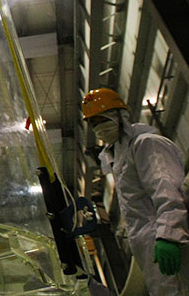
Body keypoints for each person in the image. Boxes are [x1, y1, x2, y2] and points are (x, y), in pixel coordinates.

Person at [83, 88, 189, 294]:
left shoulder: (146, 144)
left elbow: (167, 191)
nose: (99, 127)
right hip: (149, 248)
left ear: (120, 116)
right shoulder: (117, 158)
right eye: (93, 123)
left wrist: (168, 236)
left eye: (103, 119)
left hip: (169, 241)